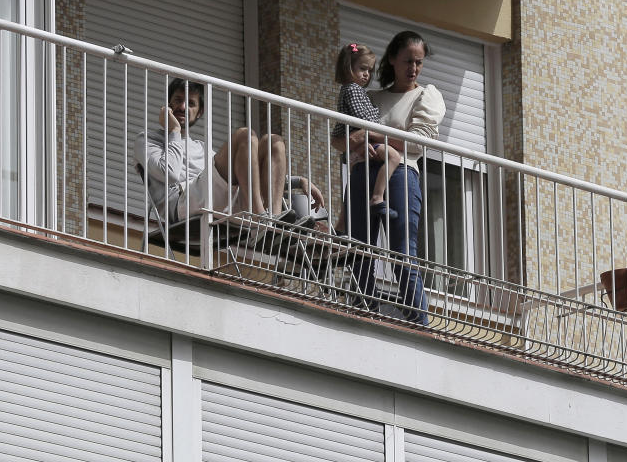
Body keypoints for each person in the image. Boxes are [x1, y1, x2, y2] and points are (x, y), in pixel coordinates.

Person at [332, 31, 445, 325]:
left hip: (400, 174)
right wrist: (368, 137)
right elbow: (339, 141)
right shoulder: (369, 97)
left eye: (419, 62)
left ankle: (417, 321)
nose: (414, 68)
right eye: (408, 61)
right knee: (359, 249)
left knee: (401, 253)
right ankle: (362, 311)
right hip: (360, 173)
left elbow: (418, 143)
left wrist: (369, 134)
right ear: (392, 59)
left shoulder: (424, 95)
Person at [135, 79, 324, 224]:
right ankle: (260, 220)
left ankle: (273, 219)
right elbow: (170, 173)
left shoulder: (201, 147)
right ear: (167, 105)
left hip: (218, 201)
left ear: (199, 112)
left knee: (274, 143)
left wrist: (299, 181)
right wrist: (173, 131)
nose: (182, 107)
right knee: (244, 135)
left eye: (190, 103)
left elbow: (248, 172)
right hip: (181, 205)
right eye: (177, 100)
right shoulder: (148, 139)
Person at [331, 42, 402, 227]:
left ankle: (342, 224)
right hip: (360, 138)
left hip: (359, 141)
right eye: (362, 68)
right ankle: (378, 197)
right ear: (348, 67)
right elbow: (360, 117)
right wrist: (379, 125)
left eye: (369, 70)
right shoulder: (352, 89)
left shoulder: (353, 90)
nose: (366, 74)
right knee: (393, 156)